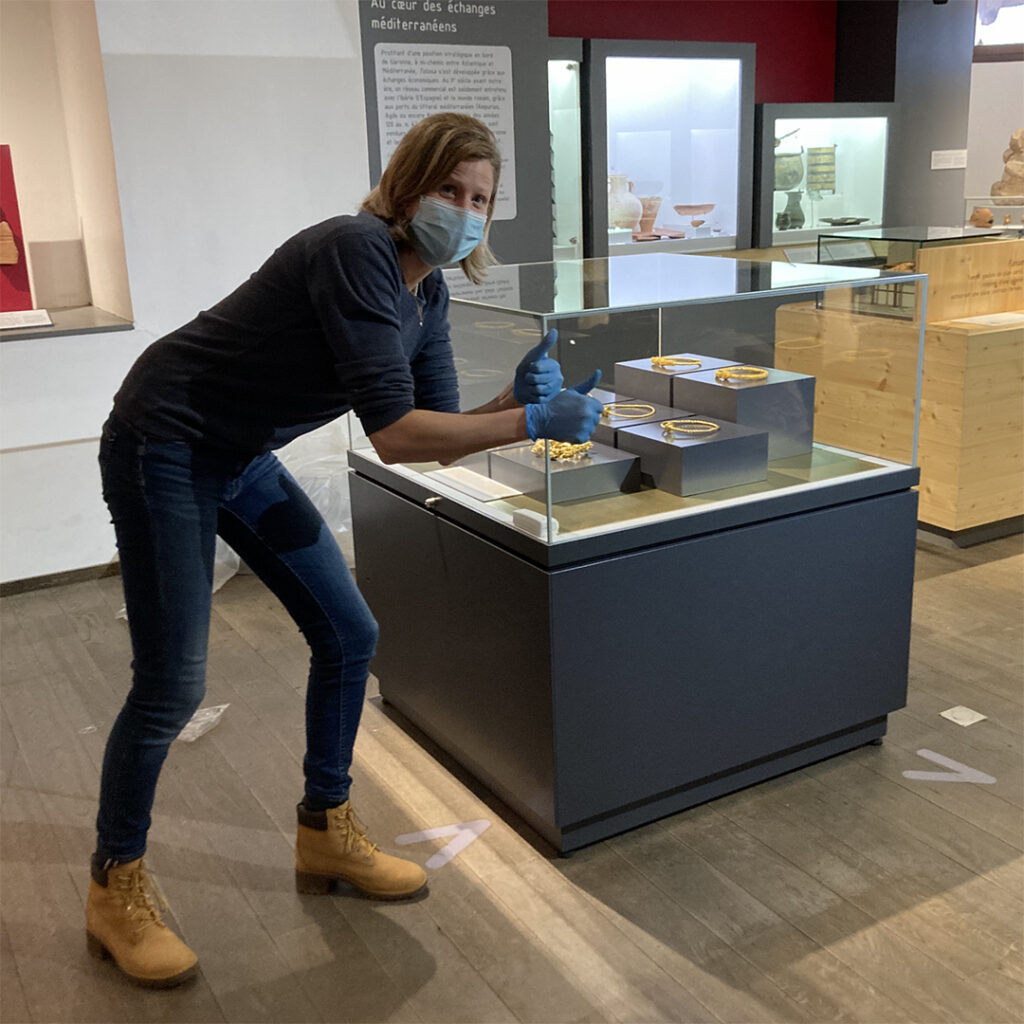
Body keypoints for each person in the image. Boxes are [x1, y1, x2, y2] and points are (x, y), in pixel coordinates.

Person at [85, 111, 602, 988]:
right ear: (407, 185)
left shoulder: (426, 291)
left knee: (350, 633)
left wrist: (511, 400)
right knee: (172, 681)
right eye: (450, 189)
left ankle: (325, 832)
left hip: (241, 453)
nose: (466, 211)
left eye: (482, 199)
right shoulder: (354, 250)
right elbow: (396, 436)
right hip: (164, 440)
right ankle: (112, 885)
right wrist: (533, 423)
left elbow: (442, 428)